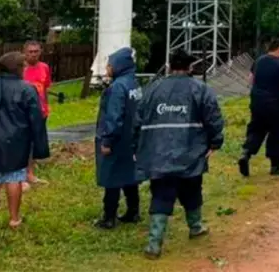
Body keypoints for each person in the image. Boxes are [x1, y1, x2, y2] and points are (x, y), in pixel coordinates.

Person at [134, 50, 225, 259]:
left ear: (168, 66)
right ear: (190, 67)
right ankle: (196, 227)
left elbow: (137, 121)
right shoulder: (201, 89)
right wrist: (215, 142)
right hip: (190, 152)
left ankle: (154, 244)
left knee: (161, 194)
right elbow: (213, 118)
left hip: (157, 153)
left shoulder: (151, 89)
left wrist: (135, 147)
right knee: (192, 189)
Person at [0, 51, 50, 233]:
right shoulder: (27, 89)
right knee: (14, 178)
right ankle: (14, 219)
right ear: (18, 68)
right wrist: (39, 145)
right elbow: (36, 119)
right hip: (17, 140)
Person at [94, 46, 143, 229]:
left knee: (112, 178)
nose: (107, 68)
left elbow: (114, 116)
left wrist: (107, 141)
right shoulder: (134, 84)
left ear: (119, 65)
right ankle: (133, 211)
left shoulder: (117, 87)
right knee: (130, 174)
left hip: (117, 140)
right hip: (131, 139)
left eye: (109, 64)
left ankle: (109, 217)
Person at [238, 38, 279, 178]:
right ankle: (275, 165)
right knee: (276, 133)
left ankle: (246, 154)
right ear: (278, 48)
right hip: (275, 105)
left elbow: (251, 79)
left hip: (257, 103)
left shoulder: (259, 61)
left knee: (256, 130)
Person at [22, 40, 52, 187]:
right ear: (25, 53)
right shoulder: (20, 69)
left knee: (34, 143)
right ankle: (19, 176)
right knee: (22, 143)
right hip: (23, 113)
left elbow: (45, 88)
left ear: (40, 52)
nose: (33, 54)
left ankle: (30, 173)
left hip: (40, 112)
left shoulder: (44, 67)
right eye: (30, 52)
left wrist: (45, 107)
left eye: (36, 51)